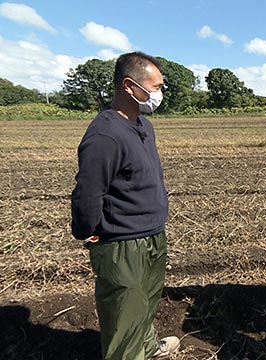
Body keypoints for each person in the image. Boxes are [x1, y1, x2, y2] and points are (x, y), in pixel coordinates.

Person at [71, 51, 180, 360]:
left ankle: (146, 347)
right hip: (122, 245)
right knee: (122, 316)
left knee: (144, 304)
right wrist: (87, 231)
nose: (159, 93)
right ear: (130, 86)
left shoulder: (143, 125)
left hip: (152, 235)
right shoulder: (105, 135)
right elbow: (88, 193)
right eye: (155, 86)